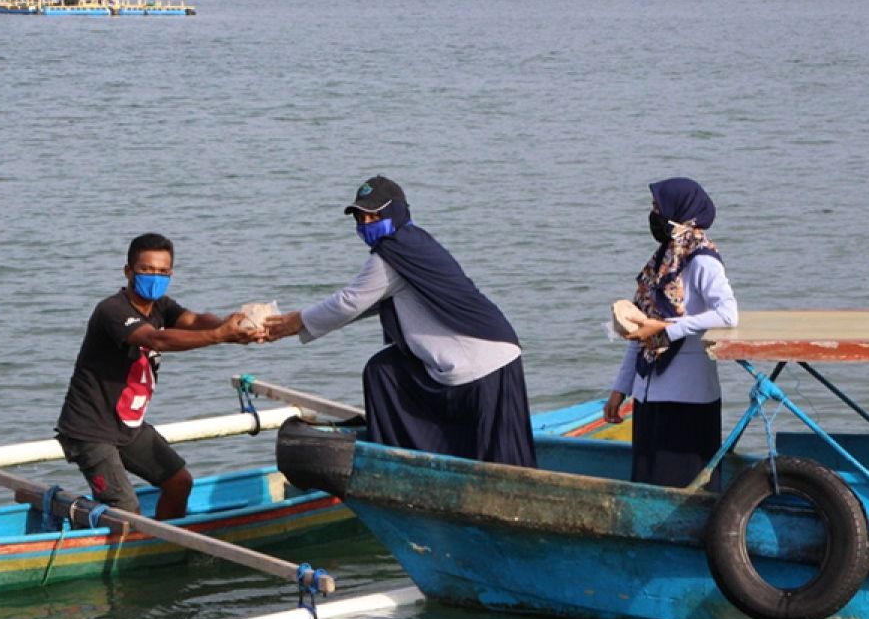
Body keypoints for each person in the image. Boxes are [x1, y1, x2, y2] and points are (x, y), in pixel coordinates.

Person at [265, 176, 536, 467]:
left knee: (500, 467)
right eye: (360, 216)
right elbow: (369, 302)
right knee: (384, 371)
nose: (366, 222)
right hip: (499, 353)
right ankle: (406, 454)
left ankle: (400, 462)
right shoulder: (414, 242)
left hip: (483, 362)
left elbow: (349, 302)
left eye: (374, 214)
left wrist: (296, 322)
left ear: (395, 212)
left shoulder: (392, 256)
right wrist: (302, 323)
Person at [54, 233, 263, 519]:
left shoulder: (161, 306)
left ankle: (169, 544)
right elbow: (156, 340)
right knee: (127, 514)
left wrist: (230, 326)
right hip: (89, 431)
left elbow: (195, 321)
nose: (155, 276)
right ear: (129, 272)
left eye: (163, 271)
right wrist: (218, 336)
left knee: (179, 482)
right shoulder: (112, 310)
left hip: (128, 427)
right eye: (147, 270)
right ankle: (133, 547)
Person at [603, 177, 739, 488]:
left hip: (687, 395)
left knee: (685, 487)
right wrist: (620, 388)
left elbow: (728, 314)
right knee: (648, 485)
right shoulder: (662, 261)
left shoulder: (703, 260)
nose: (654, 216)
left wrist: (668, 329)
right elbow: (641, 327)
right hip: (649, 393)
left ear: (682, 211)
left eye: (658, 208)